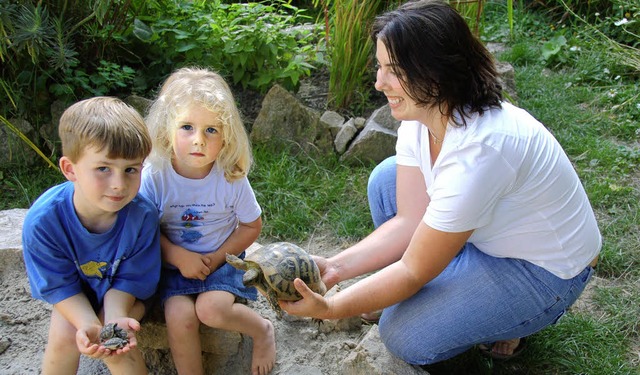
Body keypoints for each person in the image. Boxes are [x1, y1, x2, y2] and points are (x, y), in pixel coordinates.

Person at [280, 0, 601, 365]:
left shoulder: (481, 150)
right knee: (386, 180)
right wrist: (335, 268)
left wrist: (331, 306)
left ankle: (513, 319)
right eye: (380, 66)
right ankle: (452, 289)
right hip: (490, 236)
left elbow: (414, 268)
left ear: (434, 72)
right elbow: (408, 221)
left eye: (393, 71)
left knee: (402, 334)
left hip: (544, 271)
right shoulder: (422, 118)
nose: (378, 82)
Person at [140, 67, 275, 375]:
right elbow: (142, 231)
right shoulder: (156, 176)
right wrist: (177, 255)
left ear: (227, 136)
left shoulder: (229, 177)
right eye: (186, 127)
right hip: (174, 263)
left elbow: (252, 225)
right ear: (166, 128)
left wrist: (216, 258)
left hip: (222, 259)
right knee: (179, 316)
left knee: (211, 309)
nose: (198, 140)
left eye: (211, 130)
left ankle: (262, 330)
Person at [22, 97, 161, 374]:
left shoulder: (142, 216)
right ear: (70, 169)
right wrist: (87, 323)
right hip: (75, 294)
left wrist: (114, 320)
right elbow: (58, 285)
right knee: (64, 338)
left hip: (125, 296)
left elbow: (133, 281)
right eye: (103, 169)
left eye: (131, 169)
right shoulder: (43, 223)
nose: (119, 184)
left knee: (114, 343)